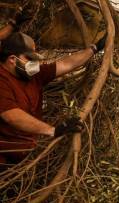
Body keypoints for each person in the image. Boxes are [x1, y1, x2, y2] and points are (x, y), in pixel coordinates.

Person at [0, 31, 107, 166]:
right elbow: (11, 115)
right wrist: (52, 130)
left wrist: (95, 48)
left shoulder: (32, 75)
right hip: (5, 160)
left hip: (27, 155)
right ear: (12, 59)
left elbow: (66, 64)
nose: (34, 64)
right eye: (30, 59)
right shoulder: (2, 80)